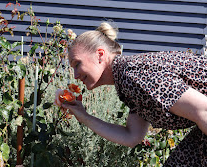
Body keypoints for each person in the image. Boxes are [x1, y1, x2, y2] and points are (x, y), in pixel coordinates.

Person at [60, 22, 207, 166]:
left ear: (100, 55)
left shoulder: (133, 74)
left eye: (77, 64)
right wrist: (83, 116)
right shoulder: (126, 81)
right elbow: (131, 136)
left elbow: (203, 110)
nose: (75, 75)